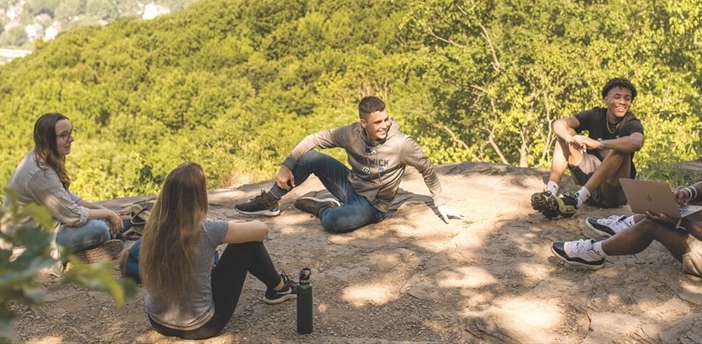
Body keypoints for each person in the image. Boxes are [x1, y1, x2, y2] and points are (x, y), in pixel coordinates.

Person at [551, 108, 702, 283]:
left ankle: (594, 252)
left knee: (654, 225)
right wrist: (687, 192)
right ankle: (626, 225)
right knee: (684, 201)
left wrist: (680, 223)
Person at [235, 96, 464, 233]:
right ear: (363, 123)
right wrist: (286, 165)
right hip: (350, 185)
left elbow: (427, 169)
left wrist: (440, 203)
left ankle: (324, 208)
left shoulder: (402, 144)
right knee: (309, 158)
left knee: (333, 222)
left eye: (386, 119)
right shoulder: (351, 133)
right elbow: (313, 139)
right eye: (377, 122)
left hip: (371, 205)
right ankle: (270, 201)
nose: (384, 126)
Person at [142, 162, 296, 340]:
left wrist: (228, 227)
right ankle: (279, 287)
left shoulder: (154, 226)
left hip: (158, 320)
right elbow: (262, 230)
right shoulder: (206, 229)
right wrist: (232, 228)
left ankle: (279, 288)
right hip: (200, 327)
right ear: (199, 195)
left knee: (238, 238)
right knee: (247, 243)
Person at [3, 112, 125, 266]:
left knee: (100, 214)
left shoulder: (44, 157)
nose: (71, 139)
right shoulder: (39, 171)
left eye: (71, 133)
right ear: (48, 139)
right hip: (27, 242)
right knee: (98, 229)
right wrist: (107, 214)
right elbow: (72, 215)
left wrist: (105, 211)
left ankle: (107, 234)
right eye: (63, 135)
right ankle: (73, 254)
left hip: (45, 227)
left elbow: (67, 197)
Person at [531, 77, 645, 219]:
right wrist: (569, 139)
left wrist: (599, 143)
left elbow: (637, 142)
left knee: (621, 148)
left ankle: (576, 200)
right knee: (566, 132)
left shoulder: (631, 122)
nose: (622, 102)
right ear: (606, 99)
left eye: (627, 99)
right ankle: (550, 192)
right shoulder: (595, 115)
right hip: (589, 178)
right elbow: (558, 124)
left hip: (613, 191)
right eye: (617, 97)